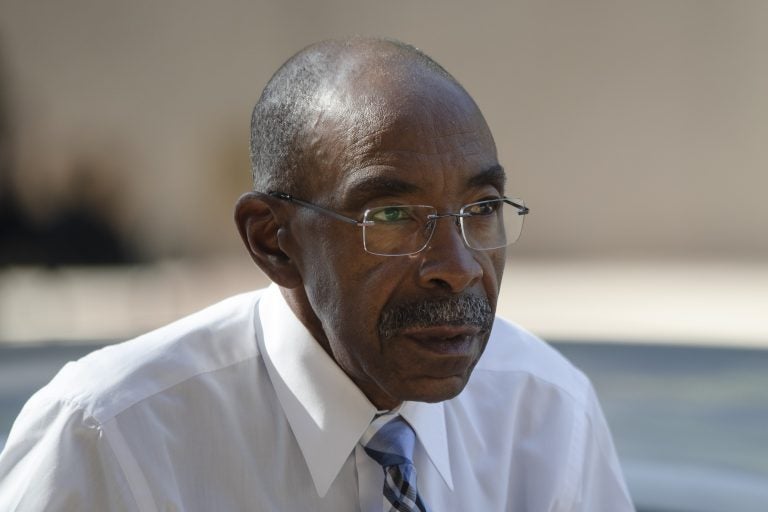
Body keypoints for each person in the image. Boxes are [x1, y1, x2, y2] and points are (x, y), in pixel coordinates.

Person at [0, 37, 634, 511]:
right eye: (392, 215)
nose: (458, 268)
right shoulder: (109, 436)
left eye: (482, 209)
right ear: (272, 240)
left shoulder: (547, 411)